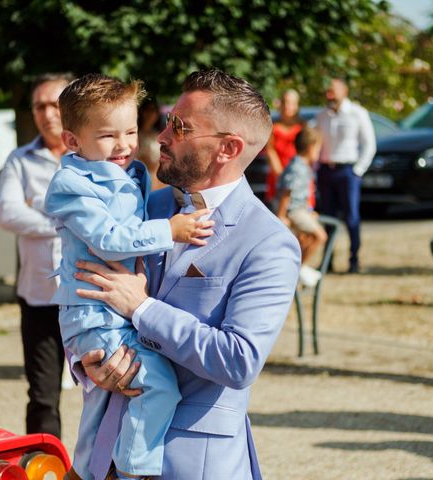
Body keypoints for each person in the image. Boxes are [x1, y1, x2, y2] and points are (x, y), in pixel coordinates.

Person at [71, 69, 301, 480]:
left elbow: (238, 360)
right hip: (104, 452)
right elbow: (88, 287)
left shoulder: (268, 242)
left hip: (192, 461)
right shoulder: (144, 206)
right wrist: (86, 363)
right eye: (166, 120)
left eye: (179, 127)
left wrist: (142, 308)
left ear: (228, 148)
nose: (160, 136)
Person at [44, 73, 214, 480]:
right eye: (107, 136)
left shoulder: (130, 171)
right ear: (72, 141)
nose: (123, 145)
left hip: (108, 312)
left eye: (132, 131)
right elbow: (108, 239)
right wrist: (169, 231)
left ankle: (86, 469)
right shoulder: (72, 184)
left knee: (102, 403)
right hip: (95, 313)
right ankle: (134, 469)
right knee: (157, 386)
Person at [0, 72, 74, 438]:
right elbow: (8, 213)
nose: (47, 114)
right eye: (39, 105)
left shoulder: (93, 156)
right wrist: (67, 221)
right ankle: (44, 469)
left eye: (55, 104)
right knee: (43, 397)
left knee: (106, 394)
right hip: (40, 297)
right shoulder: (20, 161)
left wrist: (38, 210)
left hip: (91, 296)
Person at [316, 76, 376, 274]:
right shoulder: (322, 116)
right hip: (326, 171)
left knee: (351, 218)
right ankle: (328, 261)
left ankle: (354, 260)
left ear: (344, 91)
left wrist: (357, 171)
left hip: (347, 171)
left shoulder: (357, 113)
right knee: (327, 217)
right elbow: (317, 145)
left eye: (333, 90)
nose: (329, 94)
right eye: (327, 90)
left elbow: (369, 144)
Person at [276, 125, 327, 287]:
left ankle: (299, 268)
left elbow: (301, 193)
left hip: (301, 209)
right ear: (311, 148)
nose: (318, 154)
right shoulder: (297, 166)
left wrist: (309, 211)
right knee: (320, 236)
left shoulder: (302, 166)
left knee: (304, 240)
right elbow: (287, 191)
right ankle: (298, 269)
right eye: (318, 150)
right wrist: (281, 215)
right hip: (293, 211)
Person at [264, 89, 303, 206]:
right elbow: (270, 151)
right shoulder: (273, 128)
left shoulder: (303, 128)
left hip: (298, 176)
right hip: (277, 176)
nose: (288, 106)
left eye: (292, 103)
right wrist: (282, 177)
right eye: (285, 102)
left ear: (296, 106)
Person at [137, 98, 166, 191]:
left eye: (153, 110)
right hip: (140, 178)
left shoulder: (160, 134)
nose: (150, 114)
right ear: (142, 112)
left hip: (159, 178)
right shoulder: (134, 133)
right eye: (148, 110)